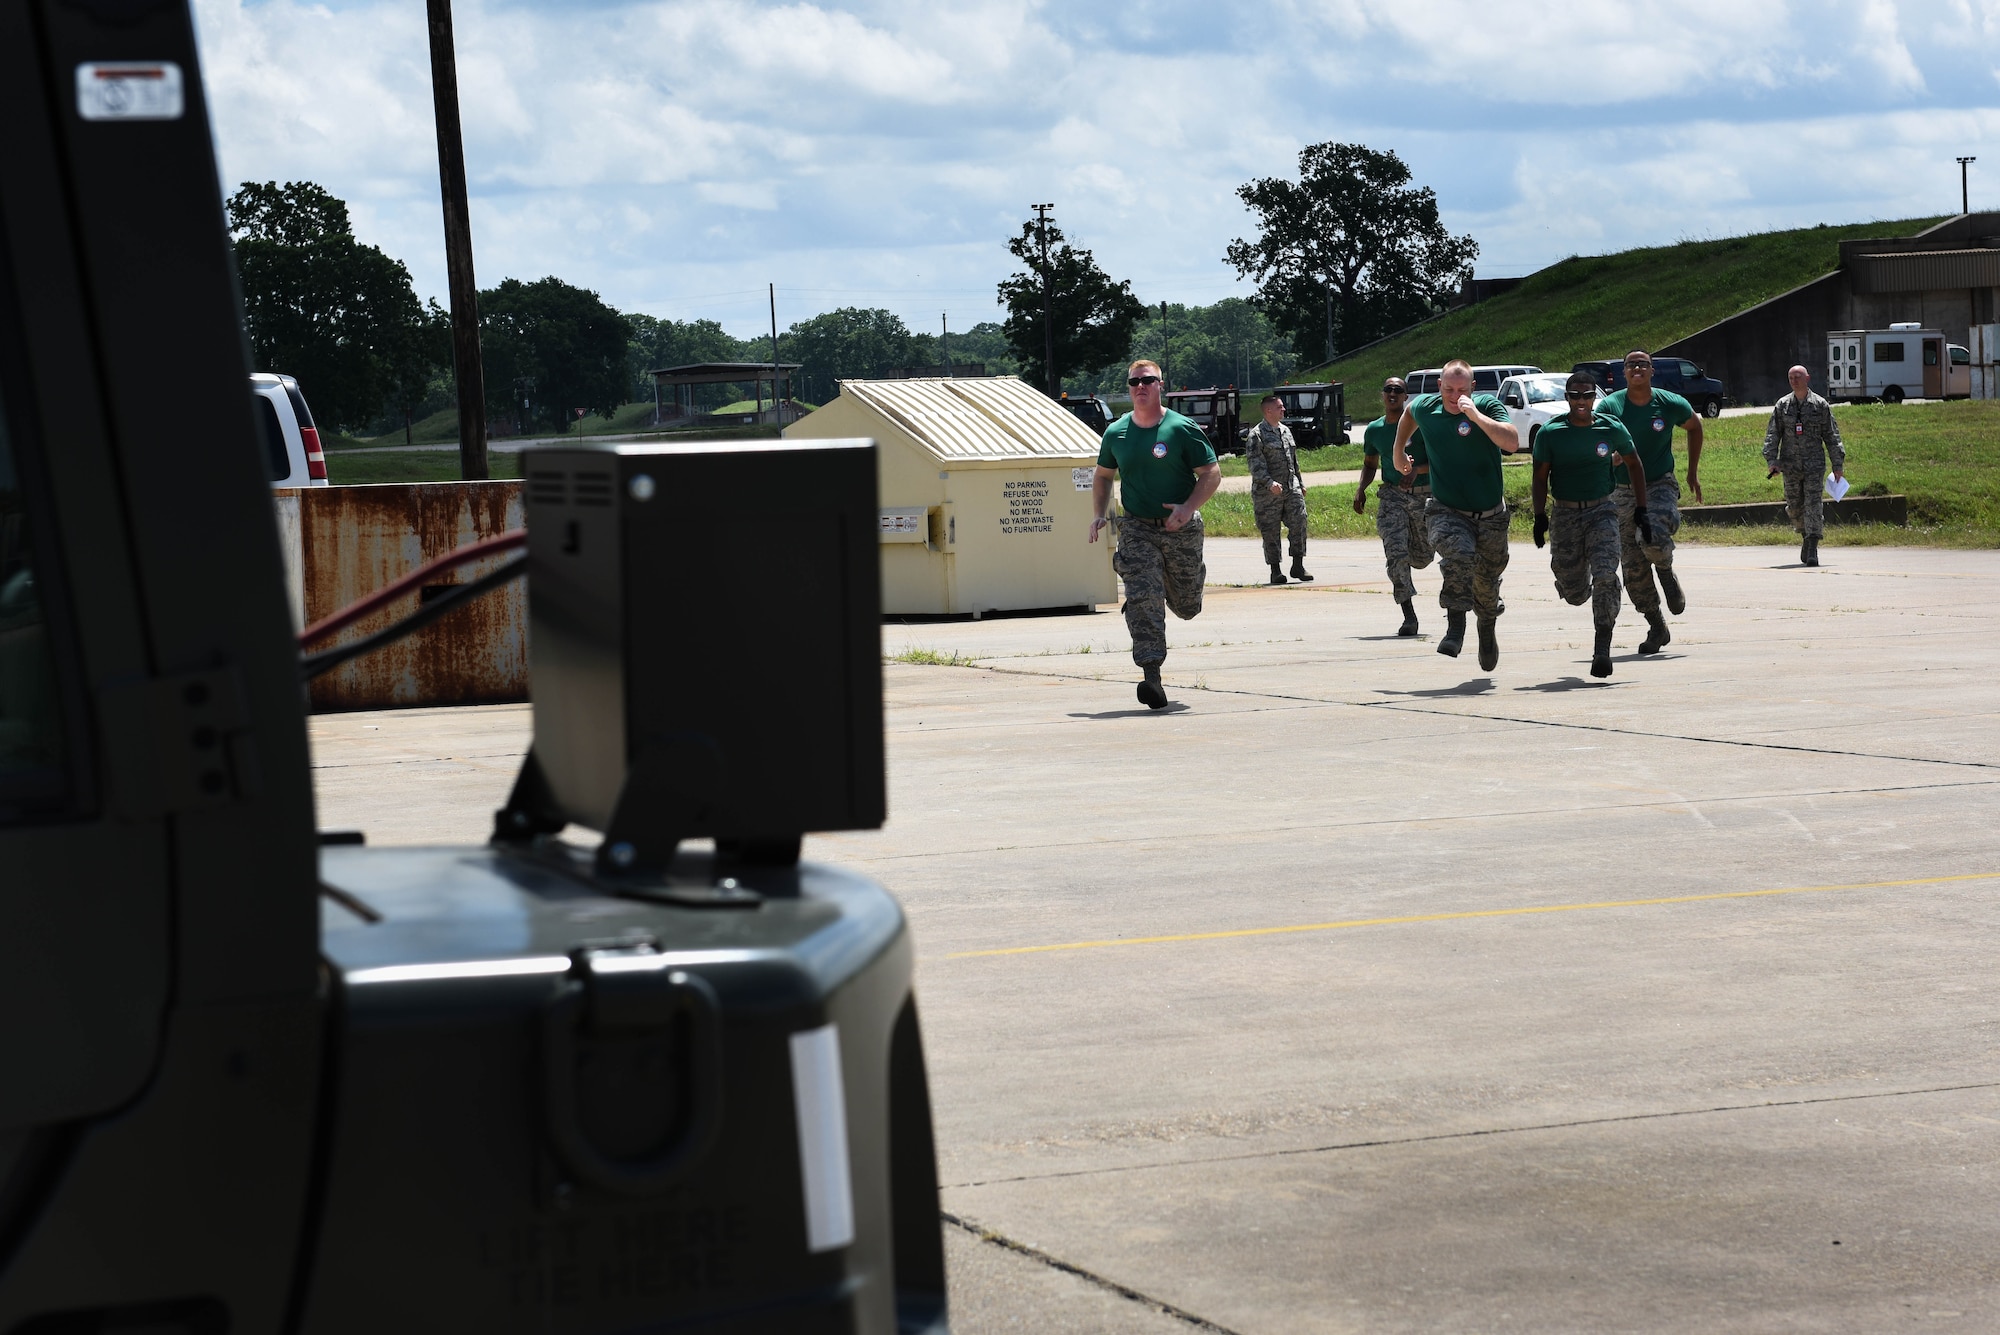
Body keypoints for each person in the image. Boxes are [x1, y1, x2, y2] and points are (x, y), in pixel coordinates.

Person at [1090, 358, 1222, 709]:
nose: (1140, 387)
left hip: (1181, 530)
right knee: (1142, 595)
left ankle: (1173, 585)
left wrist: (1188, 507)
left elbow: (1211, 473)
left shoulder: (1181, 428)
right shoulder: (1116, 432)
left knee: (1187, 606)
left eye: (1147, 381)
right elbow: (1103, 475)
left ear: (1160, 384)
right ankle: (1152, 676)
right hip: (1136, 528)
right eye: (1134, 383)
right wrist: (1099, 514)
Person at [1391, 359, 1518, 669]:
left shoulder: (1487, 405)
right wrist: (1398, 451)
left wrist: (1474, 415)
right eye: (1449, 389)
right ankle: (1455, 626)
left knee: (1487, 589)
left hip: (1491, 515)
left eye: (1462, 389)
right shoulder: (1428, 408)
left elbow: (1512, 442)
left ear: (1473, 388)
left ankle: (1486, 629)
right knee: (1458, 554)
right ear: (1439, 387)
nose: (1454, 395)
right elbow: (1409, 414)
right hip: (1446, 509)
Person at [1531, 373, 1649, 678]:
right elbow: (1540, 476)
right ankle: (1572, 585)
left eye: (1587, 396)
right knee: (1574, 592)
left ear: (1594, 397)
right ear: (1567, 397)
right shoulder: (1551, 432)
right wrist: (1539, 516)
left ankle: (1602, 647)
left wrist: (1641, 509)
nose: (1581, 402)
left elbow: (1634, 463)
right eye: (1575, 395)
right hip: (1565, 516)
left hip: (1602, 511)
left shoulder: (1610, 426)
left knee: (1606, 575)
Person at [1600, 351, 1702, 654]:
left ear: (1652, 371)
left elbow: (1694, 427)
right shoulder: (1611, 405)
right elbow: (1598, 441)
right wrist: (1609, 455)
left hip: (1658, 484)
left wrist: (1691, 472)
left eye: (1643, 364)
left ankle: (1666, 572)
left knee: (1652, 534)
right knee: (1632, 567)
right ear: (1624, 372)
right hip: (1622, 490)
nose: (1637, 369)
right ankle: (1656, 624)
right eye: (1631, 365)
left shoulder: (1669, 403)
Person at [1352, 376, 1433, 635]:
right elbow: (1369, 464)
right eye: (1388, 389)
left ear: (1406, 396)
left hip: (1424, 496)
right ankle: (1409, 615)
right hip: (1392, 496)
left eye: (1398, 390)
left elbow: (1439, 459)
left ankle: (1415, 557)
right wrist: (1361, 489)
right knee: (1395, 552)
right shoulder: (1374, 430)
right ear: (1382, 395)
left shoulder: (1419, 426)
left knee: (1423, 557)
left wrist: (1417, 470)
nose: (1393, 394)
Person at [1763, 365, 1845, 567]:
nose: (1794, 380)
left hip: (1814, 465)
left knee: (1813, 504)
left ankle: (1813, 546)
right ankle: (1805, 536)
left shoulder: (1820, 405)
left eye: (1797, 376)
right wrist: (1772, 461)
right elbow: (1773, 435)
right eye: (1790, 377)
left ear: (1807, 377)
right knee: (1794, 506)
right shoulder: (1783, 405)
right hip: (1789, 466)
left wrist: (1837, 464)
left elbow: (1832, 436)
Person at [1245, 393, 1311, 584]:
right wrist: (1269, 483)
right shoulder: (1256, 435)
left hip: (1291, 489)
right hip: (1267, 493)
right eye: (1279, 407)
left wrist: (1300, 482)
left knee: (1300, 522)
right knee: (1271, 531)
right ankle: (1275, 570)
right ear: (1268, 410)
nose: (1283, 410)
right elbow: (1255, 465)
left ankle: (1298, 565)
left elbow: (1293, 460)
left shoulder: (1286, 431)